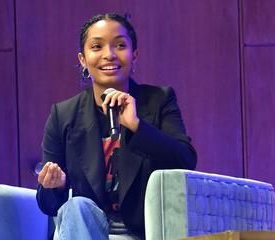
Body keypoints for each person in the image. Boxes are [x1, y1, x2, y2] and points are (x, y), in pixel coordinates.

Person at [36, 13, 197, 240]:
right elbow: (47, 204)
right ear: (83, 59)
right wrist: (57, 186)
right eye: (97, 46)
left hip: (143, 230)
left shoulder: (159, 100)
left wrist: (137, 127)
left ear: (134, 56)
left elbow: (185, 162)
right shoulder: (63, 115)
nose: (109, 55)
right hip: (87, 229)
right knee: (76, 206)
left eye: (120, 45)